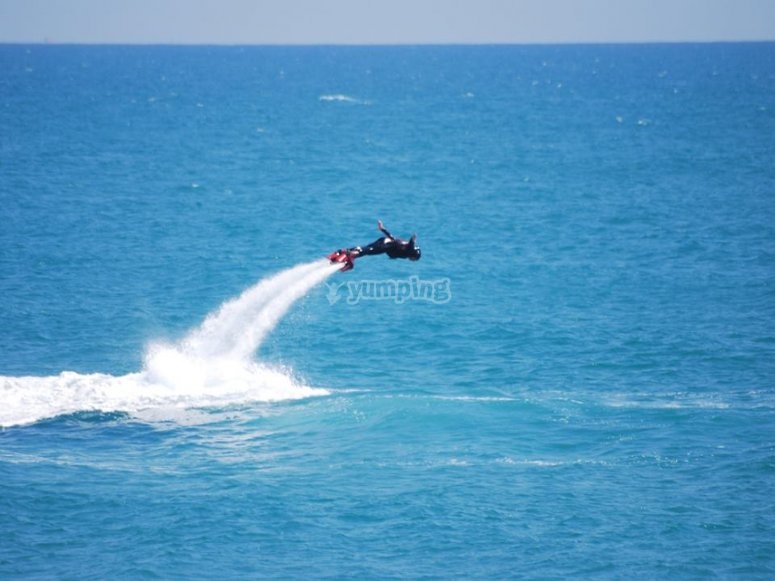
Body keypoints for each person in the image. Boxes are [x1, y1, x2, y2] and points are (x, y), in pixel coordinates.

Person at [328, 220, 421, 271]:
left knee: (365, 250)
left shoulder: (404, 246)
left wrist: (382, 229)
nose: (412, 261)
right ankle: (348, 254)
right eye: (414, 259)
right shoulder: (407, 252)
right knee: (366, 251)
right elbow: (410, 245)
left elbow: (394, 239)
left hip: (384, 241)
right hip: (385, 246)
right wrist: (413, 239)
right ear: (413, 255)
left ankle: (343, 253)